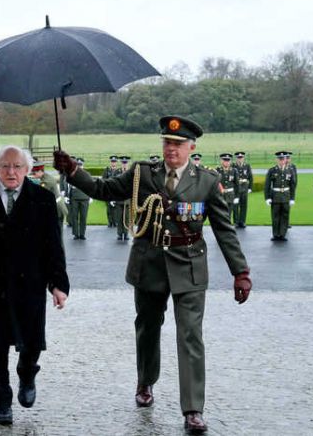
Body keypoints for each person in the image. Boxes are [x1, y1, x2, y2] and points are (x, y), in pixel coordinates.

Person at [53, 115, 251, 434]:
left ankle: (192, 409)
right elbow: (104, 190)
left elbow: (224, 230)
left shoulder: (207, 181)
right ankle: (145, 382)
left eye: (178, 144)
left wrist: (240, 271)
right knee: (147, 328)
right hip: (149, 262)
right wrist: (73, 170)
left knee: (190, 335)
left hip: (189, 264)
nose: (171, 149)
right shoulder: (142, 174)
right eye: (167, 143)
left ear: (191, 147)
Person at [0, 145, 69, 426]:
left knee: (31, 341)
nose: (12, 172)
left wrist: (58, 284)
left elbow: (53, 246)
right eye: (6, 166)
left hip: (31, 282)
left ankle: (27, 373)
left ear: (27, 169)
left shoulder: (43, 199)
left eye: (18, 166)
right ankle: (2, 399)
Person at [264, 151, 296, 241]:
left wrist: (292, 198)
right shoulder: (272, 170)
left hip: (286, 196)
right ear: (277, 160)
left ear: (286, 159)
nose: (282, 161)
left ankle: (282, 234)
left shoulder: (290, 170)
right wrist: (267, 198)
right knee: (275, 216)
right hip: (276, 196)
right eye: (280, 159)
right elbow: (267, 185)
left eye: (283, 159)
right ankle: (275, 234)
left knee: (285, 216)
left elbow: (292, 185)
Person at [68, 158, 91, 240]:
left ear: (83, 165)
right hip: (75, 198)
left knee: (83, 217)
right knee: (74, 216)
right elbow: (69, 186)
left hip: (84, 198)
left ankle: (82, 234)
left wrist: (91, 196)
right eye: (78, 165)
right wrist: (67, 196)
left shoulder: (87, 174)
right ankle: (75, 234)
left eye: (81, 165)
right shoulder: (72, 174)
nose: (80, 166)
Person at [215, 154, 239, 224]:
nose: (227, 162)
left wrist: (236, 197)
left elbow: (237, 185)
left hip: (230, 195)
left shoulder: (234, 171)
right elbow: (215, 184)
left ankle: (227, 228)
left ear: (230, 162)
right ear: (222, 161)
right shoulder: (217, 170)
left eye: (228, 161)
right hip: (220, 195)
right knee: (220, 213)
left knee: (229, 213)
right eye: (225, 160)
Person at [233, 152, 252, 228]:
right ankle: (236, 222)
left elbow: (250, 177)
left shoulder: (247, 166)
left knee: (244, 205)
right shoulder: (233, 166)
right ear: (236, 158)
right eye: (238, 157)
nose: (240, 159)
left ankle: (242, 221)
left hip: (244, 187)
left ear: (243, 158)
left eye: (241, 157)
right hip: (236, 188)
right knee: (235, 206)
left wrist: (250, 187)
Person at [115, 156, 132, 241]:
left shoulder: (131, 173)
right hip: (119, 199)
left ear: (128, 164)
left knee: (126, 218)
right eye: (123, 163)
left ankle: (125, 234)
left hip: (127, 200)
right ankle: (119, 233)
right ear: (121, 164)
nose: (124, 165)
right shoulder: (117, 172)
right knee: (119, 217)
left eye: (125, 163)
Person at [102, 156, 120, 228]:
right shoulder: (106, 170)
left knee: (115, 208)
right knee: (109, 208)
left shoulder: (119, 171)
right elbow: (103, 181)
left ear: (116, 162)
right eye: (112, 162)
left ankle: (115, 221)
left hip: (116, 192)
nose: (113, 163)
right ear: (110, 162)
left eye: (115, 162)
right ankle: (110, 222)